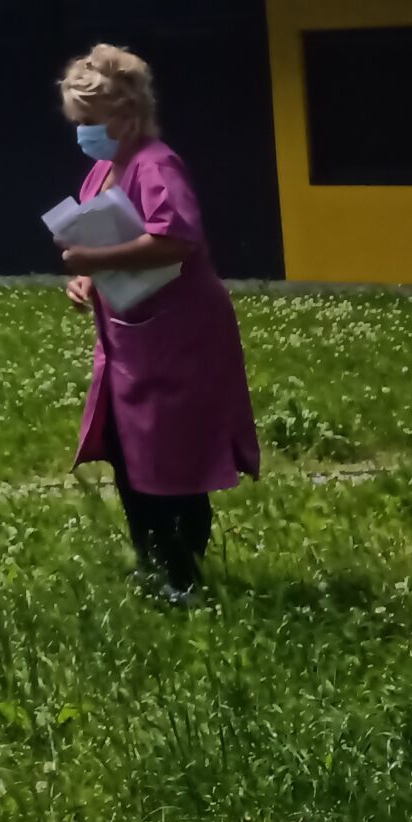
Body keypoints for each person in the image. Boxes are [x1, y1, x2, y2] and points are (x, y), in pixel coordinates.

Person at [53, 44, 260, 603]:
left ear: (125, 115)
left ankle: (184, 575)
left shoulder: (156, 165)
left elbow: (175, 239)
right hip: (128, 336)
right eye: (78, 121)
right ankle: (151, 564)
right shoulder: (102, 170)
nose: (83, 133)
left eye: (91, 120)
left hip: (179, 334)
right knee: (127, 449)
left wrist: (94, 259)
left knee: (173, 452)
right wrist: (87, 278)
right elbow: (102, 235)